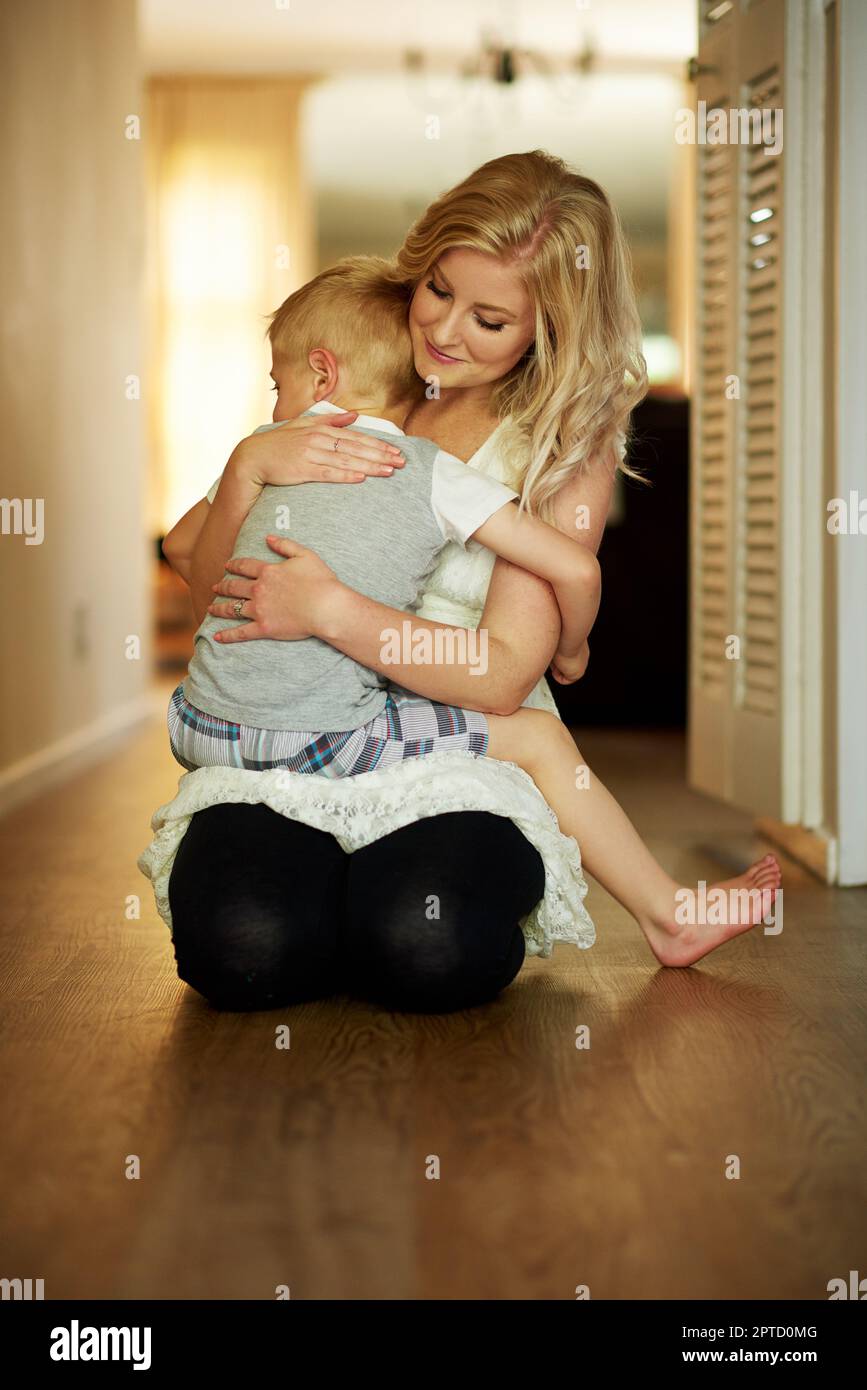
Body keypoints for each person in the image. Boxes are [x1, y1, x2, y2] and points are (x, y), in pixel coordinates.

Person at [138, 149, 778, 1016]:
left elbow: (506, 674)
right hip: (293, 724)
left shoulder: (556, 443)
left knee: (424, 944)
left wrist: (332, 612)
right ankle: (327, 887)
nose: (442, 334)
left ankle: (596, 907)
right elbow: (205, 574)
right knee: (246, 951)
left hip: (462, 732)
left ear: (545, 330)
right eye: (438, 290)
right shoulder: (361, 368)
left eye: (489, 320)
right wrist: (247, 469)